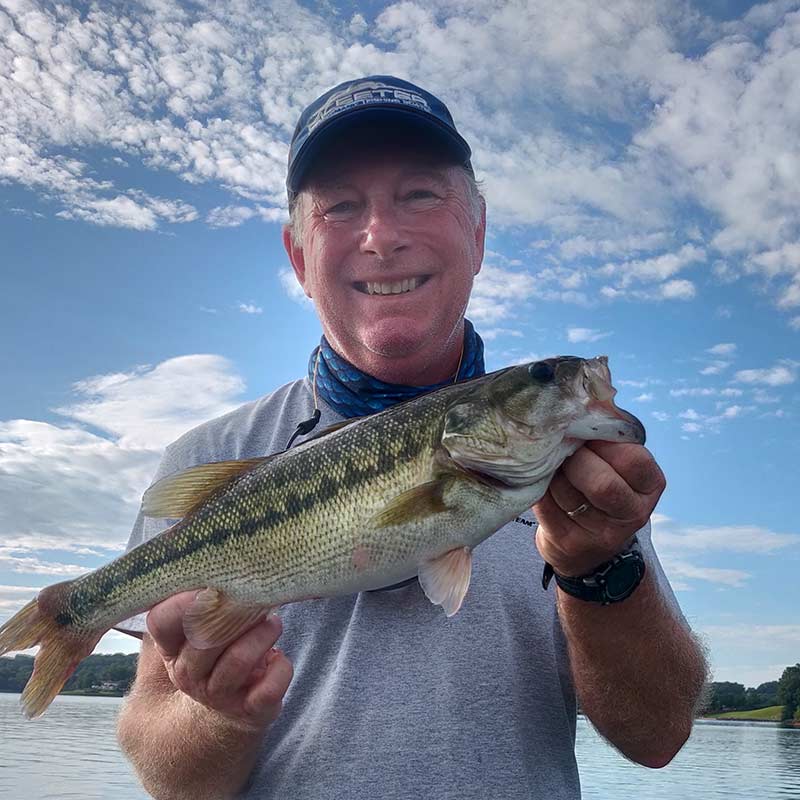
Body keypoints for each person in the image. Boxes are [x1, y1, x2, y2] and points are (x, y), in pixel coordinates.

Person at [116, 76, 707, 800]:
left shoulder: (576, 469)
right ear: (299, 257)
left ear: (479, 231)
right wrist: (220, 716)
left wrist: (602, 572)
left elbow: (660, 737)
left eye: (421, 194)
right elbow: (168, 781)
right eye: (340, 206)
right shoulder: (210, 463)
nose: (382, 235)